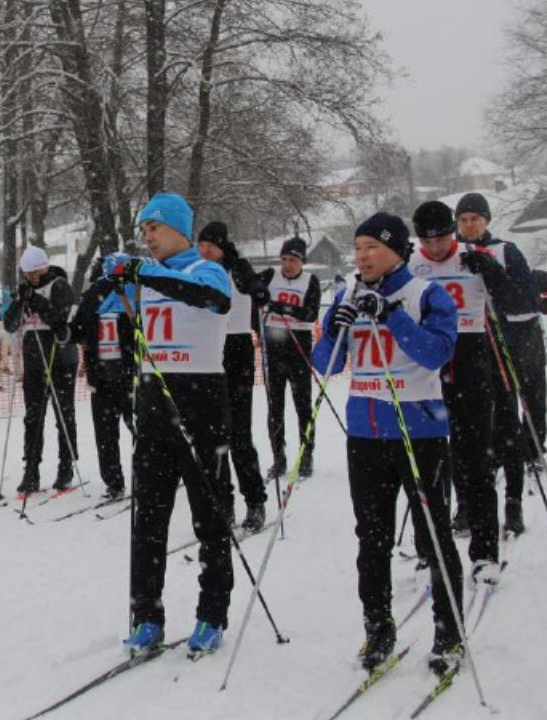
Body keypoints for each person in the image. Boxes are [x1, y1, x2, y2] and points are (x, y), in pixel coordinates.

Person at [313, 212, 464, 675]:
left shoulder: (425, 294)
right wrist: (335, 329)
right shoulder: (346, 293)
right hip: (365, 432)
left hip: (419, 430)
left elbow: (437, 352)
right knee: (371, 539)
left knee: (433, 534)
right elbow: (325, 364)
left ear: (397, 250)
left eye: (371, 247)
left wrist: (394, 316)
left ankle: (448, 632)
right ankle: (378, 629)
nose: (362, 257)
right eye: (357, 248)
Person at [100, 192, 235, 657]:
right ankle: (147, 615)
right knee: (149, 518)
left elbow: (212, 299)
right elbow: (98, 314)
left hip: (200, 401)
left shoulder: (205, 268)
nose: (148, 238)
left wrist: (141, 271)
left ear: (178, 228)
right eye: (143, 232)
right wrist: (110, 280)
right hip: (155, 403)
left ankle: (212, 613)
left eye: (154, 228)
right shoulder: (147, 277)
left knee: (210, 514)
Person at [409, 200, 518, 584]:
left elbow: (514, 303)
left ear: (454, 232)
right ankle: (430, 548)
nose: (436, 247)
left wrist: (492, 271)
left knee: (475, 462)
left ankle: (485, 552)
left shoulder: (475, 256)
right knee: (430, 465)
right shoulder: (411, 266)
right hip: (427, 371)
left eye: (443, 239)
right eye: (428, 240)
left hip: (470, 363)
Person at [455, 192, 543, 534]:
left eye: (475, 218)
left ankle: (513, 502)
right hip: (463, 352)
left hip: (500, 347)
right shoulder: (451, 254)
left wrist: (492, 272)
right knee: (463, 433)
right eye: (463, 220)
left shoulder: (505, 251)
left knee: (508, 427)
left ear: (487, 221)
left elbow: (526, 302)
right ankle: (464, 505)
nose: (469, 225)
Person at [197, 222, 270, 532]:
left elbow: (249, 282)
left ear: (223, 246)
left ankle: (255, 500)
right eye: (201, 245)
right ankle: (221, 504)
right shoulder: (198, 271)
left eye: (210, 246)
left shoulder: (236, 267)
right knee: (213, 436)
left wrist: (258, 289)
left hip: (236, 346)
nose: (205, 251)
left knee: (239, 434)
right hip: (208, 349)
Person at [2, 246, 78, 494]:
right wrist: (19, 302)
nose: (33, 277)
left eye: (36, 272)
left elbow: (59, 318)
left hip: (60, 359)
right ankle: (31, 471)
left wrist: (36, 300)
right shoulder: (26, 289)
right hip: (34, 361)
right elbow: (10, 324)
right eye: (28, 273)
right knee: (32, 419)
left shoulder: (58, 285)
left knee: (63, 416)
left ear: (45, 267)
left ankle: (66, 467)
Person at [69, 253, 134, 501]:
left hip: (123, 373)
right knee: (113, 431)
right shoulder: (101, 293)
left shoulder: (132, 292)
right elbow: (75, 331)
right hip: (112, 374)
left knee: (114, 431)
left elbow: (74, 332)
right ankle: (116, 482)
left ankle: (121, 481)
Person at [257, 237, 320, 479]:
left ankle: (306, 456)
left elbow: (311, 313)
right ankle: (279, 458)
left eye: (293, 260)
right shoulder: (271, 275)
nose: (287, 264)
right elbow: (251, 287)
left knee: (303, 407)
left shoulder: (309, 280)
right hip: (274, 347)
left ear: (302, 261)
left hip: (298, 347)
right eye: (284, 259)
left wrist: (284, 308)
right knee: (275, 408)